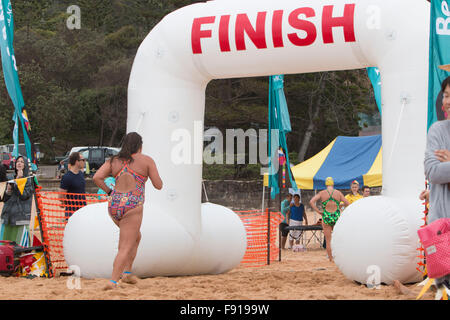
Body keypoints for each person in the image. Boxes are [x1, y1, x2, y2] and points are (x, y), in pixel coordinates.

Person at [93, 132, 163, 289]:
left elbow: (97, 177)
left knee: (135, 237)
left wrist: (109, 191)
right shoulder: (146, 160)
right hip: (133, 205)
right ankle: (113, 281)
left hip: (115, 204)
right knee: (124, 246)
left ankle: (127, 273)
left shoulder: (114, 161)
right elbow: (158, 185)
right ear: (140, 145)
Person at [423, 75, 450, 289]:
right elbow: (432, 171)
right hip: (443, 227)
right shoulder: (437, 130)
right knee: (444, 287)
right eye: (446, 95)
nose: (447, 101)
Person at [310, 177, 349, 262]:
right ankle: (338, 257)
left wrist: (318, 211)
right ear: (333, 184)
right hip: (336, 215)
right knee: (338, 239)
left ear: (326, 184)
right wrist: (340, 207)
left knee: (328, 240)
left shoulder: (322, 193)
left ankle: (330, 258)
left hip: (326, 215)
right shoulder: (338, 193)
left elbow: (311, 201)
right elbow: (347, 203)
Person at [1, 156, 35, 244]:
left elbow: (25, 195)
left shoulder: (29, 179)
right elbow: (4, 198)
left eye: (22, 162)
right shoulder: (10, 177)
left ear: (25, 165)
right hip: (7, 215)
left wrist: (18, 181)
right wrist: (8, 190)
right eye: (17, 162)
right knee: (5, 244)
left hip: (20, 216)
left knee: (20, 245)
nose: (19, 163)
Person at [59, 152, 86, 220]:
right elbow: (61, 196)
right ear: (77, 162)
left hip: (83, 210)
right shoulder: (66, 177)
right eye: (83, 160)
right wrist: (65, 202)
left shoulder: (81, 174)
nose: (84, 161)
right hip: (71, 212)